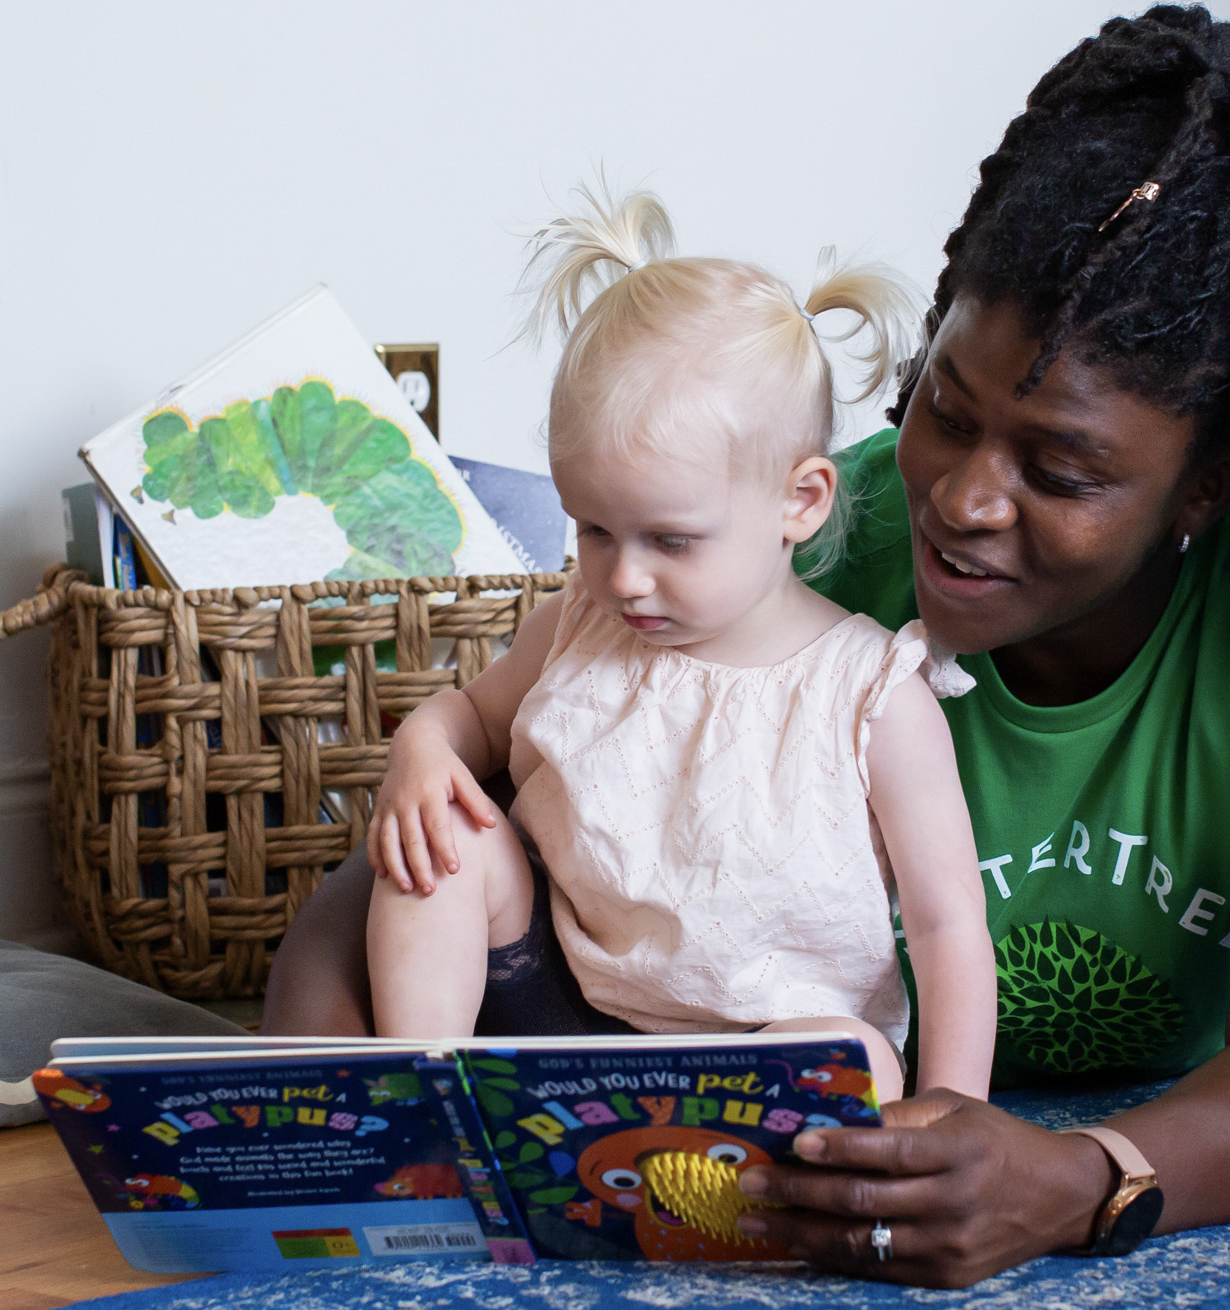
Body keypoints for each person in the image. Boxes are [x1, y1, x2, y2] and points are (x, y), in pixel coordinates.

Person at [262, 5, 1230, 1286]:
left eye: (1058, 471)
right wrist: (351, 1145)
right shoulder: (782, 551)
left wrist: (1071, 1178)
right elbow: (424, 867)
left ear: (1204, 488)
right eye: (943, 409)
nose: (961, 498)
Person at [363, 186, 997, 1102]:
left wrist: (954, 1109)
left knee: (857, 1057)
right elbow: (470, 716)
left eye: (670, 540)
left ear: (801, 501)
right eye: (594, 530)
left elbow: (947, 925)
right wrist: (420, 749)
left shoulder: (872, 693)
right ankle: (416, 1098)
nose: (623, 577)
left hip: (761, 1049)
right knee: (444, 840)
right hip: (561, 1014)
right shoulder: (582, 623)